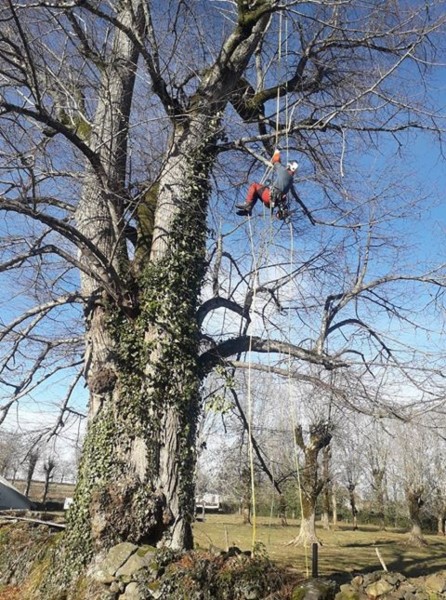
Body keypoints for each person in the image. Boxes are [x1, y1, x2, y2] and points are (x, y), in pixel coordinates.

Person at [236, 149, 315, 224]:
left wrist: (277, 152)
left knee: (254, 186)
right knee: (256, 193)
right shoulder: (291, 180)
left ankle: (247, 205)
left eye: (288, 166)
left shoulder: (284, 172)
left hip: (269, 197)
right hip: (273, 202)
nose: (286, 166)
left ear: (290, 167)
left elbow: (276, 162)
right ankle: (248, 210)